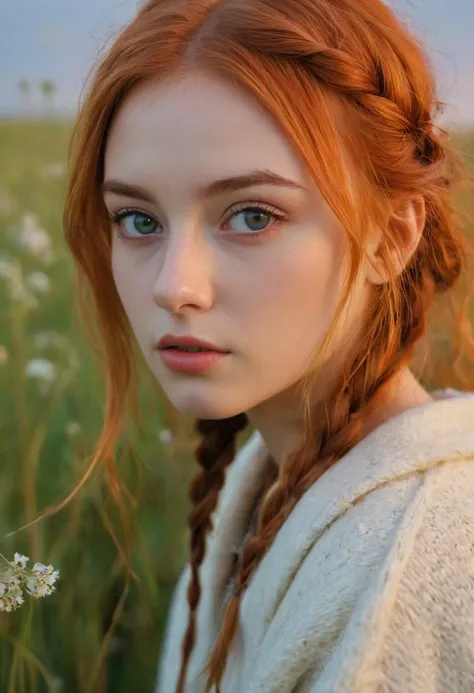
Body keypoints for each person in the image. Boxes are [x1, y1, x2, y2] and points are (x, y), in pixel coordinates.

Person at [63, 0, 474, 691]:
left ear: (392, 236)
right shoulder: (266, 486)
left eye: (252, 216)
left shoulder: (416, 563)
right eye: (138, 219)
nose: (174, 285)